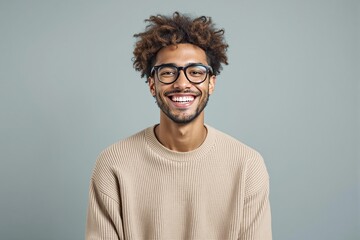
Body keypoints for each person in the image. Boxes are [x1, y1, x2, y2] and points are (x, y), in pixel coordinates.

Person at [85, 12, 272, 240]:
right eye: (168, 73)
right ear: (152, 85)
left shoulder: (247, 166)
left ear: (211, 83)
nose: (182, 83)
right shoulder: (114, 164)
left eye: (195, 72)